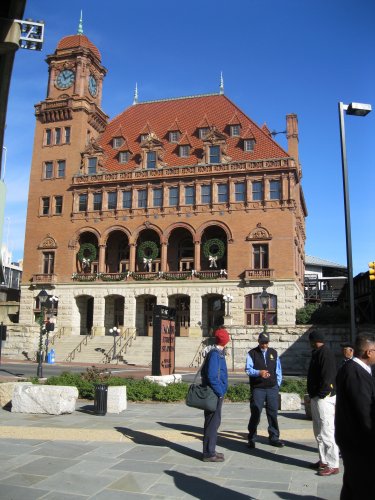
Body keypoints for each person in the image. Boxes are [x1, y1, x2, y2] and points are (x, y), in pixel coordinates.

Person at [335, 334, 375, 500]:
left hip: (352, 438)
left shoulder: (354, 369)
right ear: (368, 352)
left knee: (353, 483)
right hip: (359, 441)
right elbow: (364, 411)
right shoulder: (355, 372)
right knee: (363, 486)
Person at [307, 330, 339, 476]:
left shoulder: (325, 354)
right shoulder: (317, 353)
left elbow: (328, 377)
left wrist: (321, 394)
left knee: (327, 431)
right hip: (317, 397)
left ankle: (333, 464)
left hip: (324, 398)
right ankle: (323, 460)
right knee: (318, 431)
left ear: (314, 341)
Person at [245, 332, 284, 448]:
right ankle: (252, 437)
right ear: (258, 341)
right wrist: (259, 372)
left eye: (266, 343)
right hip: (258, 388)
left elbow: (278, 370)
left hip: (272, 388)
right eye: (262, 343)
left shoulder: (274, 353)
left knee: (272, 413)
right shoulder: (252, 353)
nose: (264, 345)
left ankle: (274, 437)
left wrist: (277, 384)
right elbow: (248, 370)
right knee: (256, 412)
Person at [201, 325, 229, 462]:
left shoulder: (218, 353)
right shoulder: (215, 354)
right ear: (225, 340)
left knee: (214, 422)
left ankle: (210, 449)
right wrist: (220, 392)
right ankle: (208, 453)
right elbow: (212, 376)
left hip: (216, 393)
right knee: (212, 422)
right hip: (214, 394)